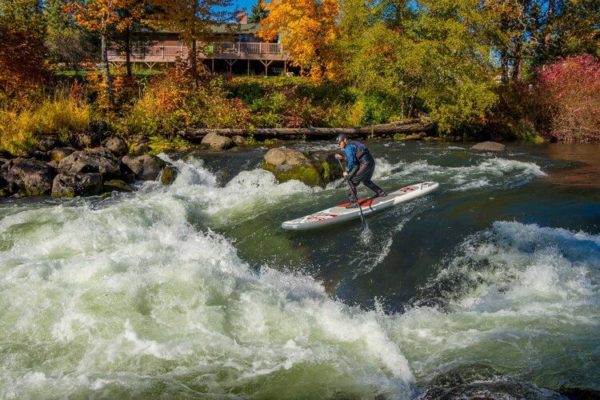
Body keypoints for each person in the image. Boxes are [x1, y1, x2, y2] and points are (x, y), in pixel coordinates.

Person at [334, 134, 386, 207]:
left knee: (351, 181)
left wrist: (347, 172)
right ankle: (381, 193)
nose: (339, 145)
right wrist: (342, 158)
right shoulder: (353, 143)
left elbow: (352, 162)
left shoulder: (348, 147)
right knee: (365, 180)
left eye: (340, 143)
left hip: (365, 164)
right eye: (338, 144)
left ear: (345, 140)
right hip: (370, 163)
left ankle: (354, 202)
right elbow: (354, 158)